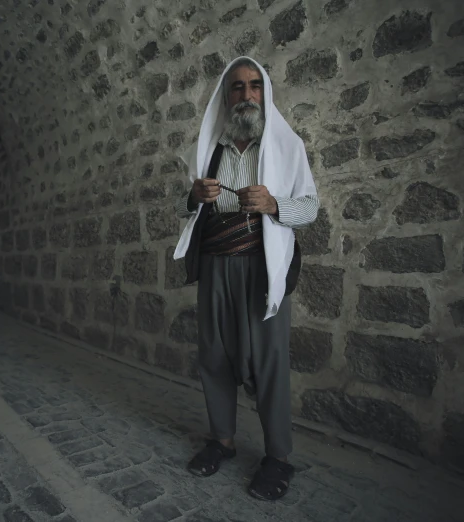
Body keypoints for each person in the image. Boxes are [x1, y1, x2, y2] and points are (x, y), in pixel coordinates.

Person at [172, 56, 319, 501]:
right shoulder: (209, 149)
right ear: (226, 95)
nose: (247, 94)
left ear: (265, 92)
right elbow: (187, 211)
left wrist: (274, 204)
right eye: (237, 87)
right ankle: (223, 441)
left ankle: (278, 457)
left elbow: (309, 208)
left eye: (255, 86)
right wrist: (193, 196)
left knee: (269, 360)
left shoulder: (286, 146)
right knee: (214, 354)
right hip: (216, 264)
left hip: (261, 266)